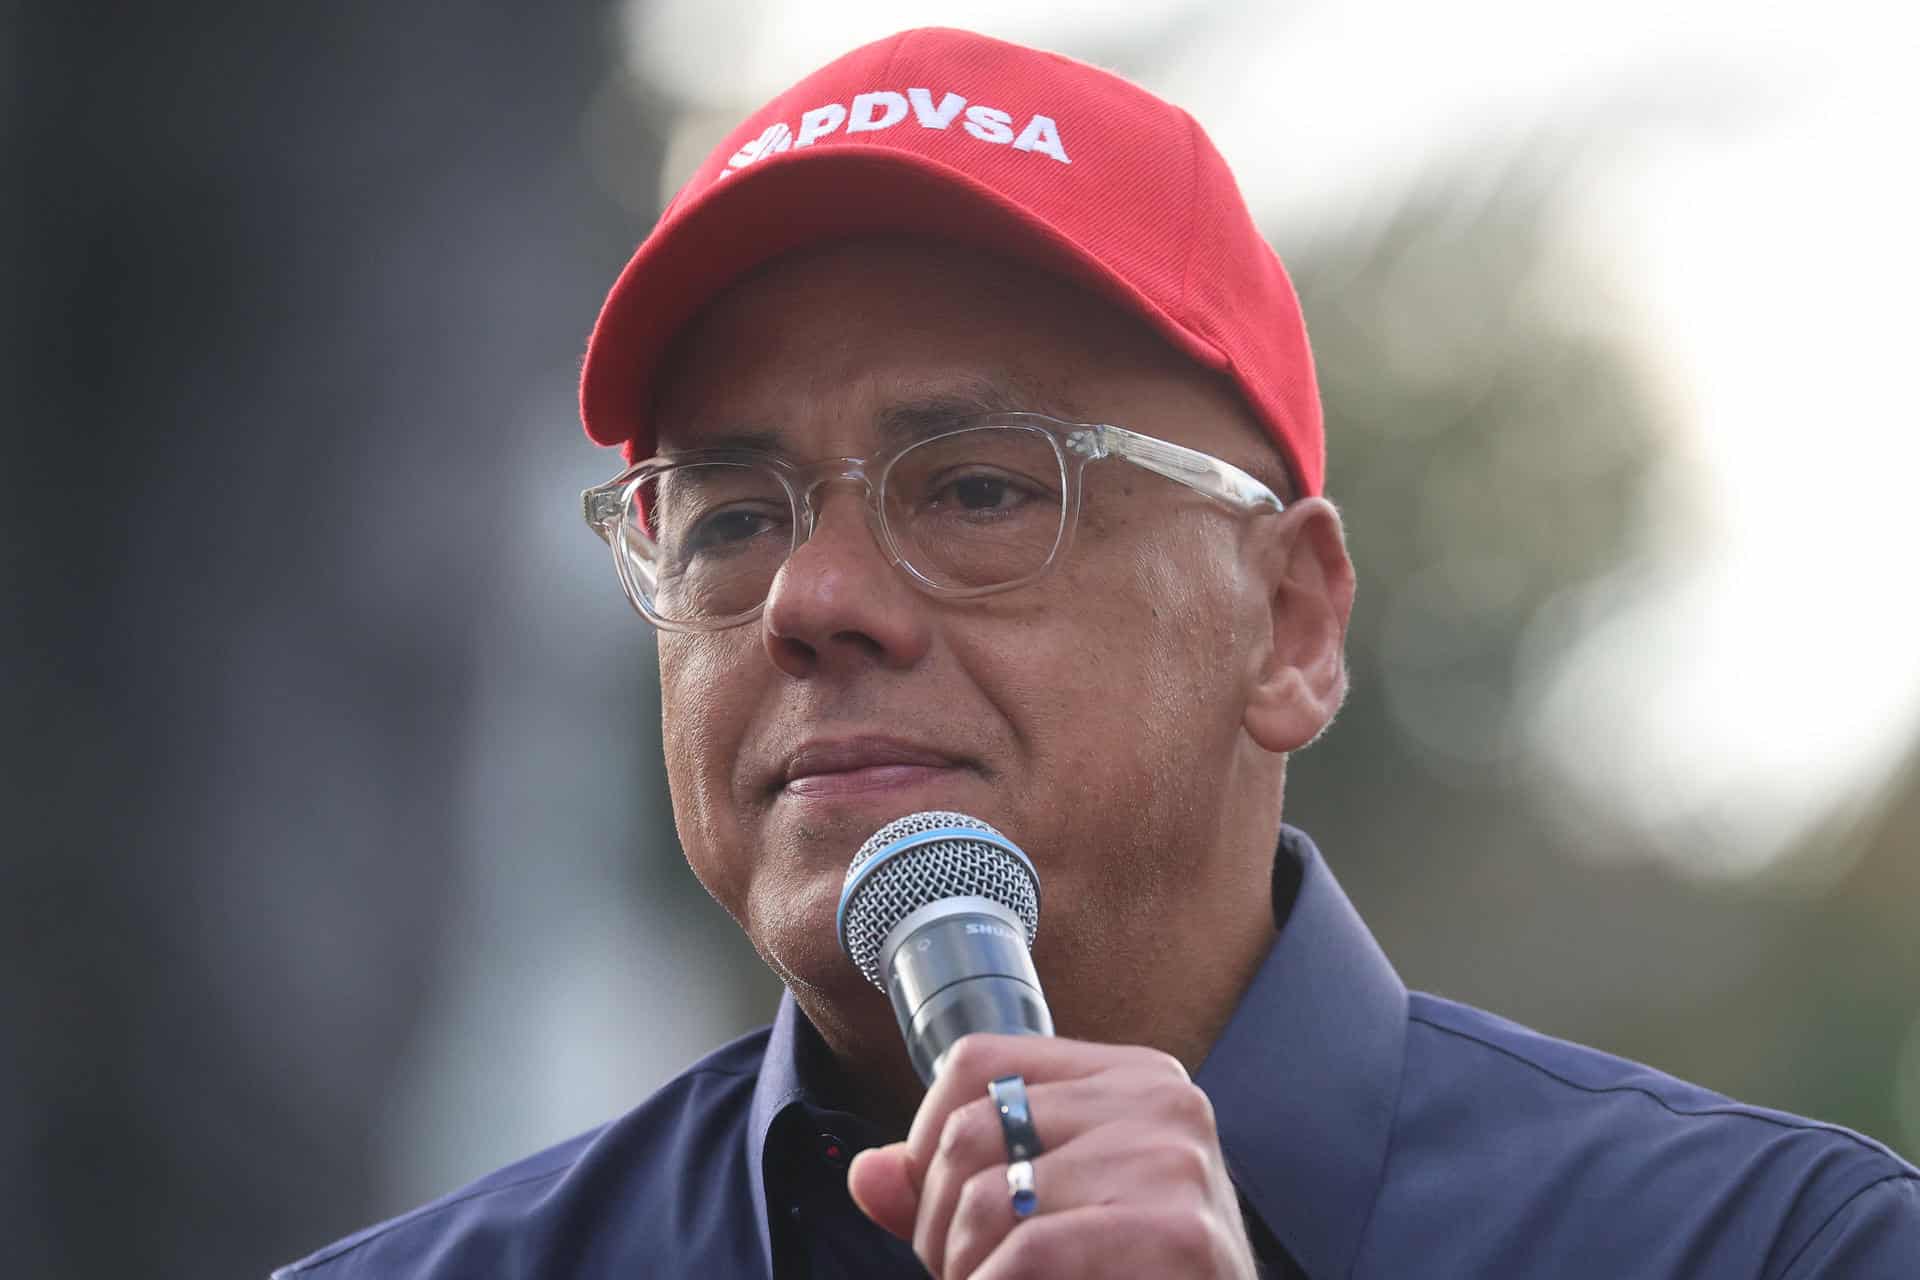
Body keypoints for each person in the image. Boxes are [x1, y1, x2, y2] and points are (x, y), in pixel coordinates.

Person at [276, 27, 1918, 1279]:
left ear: (1291, 624)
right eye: (726, 519)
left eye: (979, 489)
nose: (812, 598)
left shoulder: (1772, 1244)